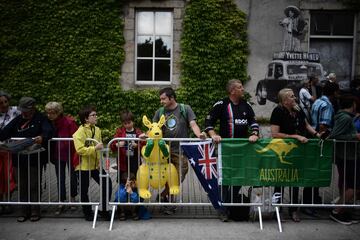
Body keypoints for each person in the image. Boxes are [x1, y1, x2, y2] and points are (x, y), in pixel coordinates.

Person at [204, 79, 260, 222]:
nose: (243, 90)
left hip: (242, 150)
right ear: (232, 91)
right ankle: (222, 209)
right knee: (224, 179)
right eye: (240, 87)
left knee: (238, 178)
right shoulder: (221, 104)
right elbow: (208, 122)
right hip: (226, 150)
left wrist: (254, 134)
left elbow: (253, 121)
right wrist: (213, 135)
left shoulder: (246, 105)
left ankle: (231, 206)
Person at [151, 87, 205, 214]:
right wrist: (146, 134)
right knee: (166, 176)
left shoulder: (185, 109)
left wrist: (199, 135)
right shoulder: (160, 112)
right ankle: (169, 202)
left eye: (163, 99)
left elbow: (193, 124)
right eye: (160, 99)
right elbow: (153, 128)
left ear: (172, 98)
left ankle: (164, 195)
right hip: (163, 151)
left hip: (180, 151)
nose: (161, 101)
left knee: (178, 176)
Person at [270, 88, 320, 222]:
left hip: (297, 151)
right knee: (279, 180)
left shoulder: (297, 109)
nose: (295, 98)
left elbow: (306, 124)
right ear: (285, 100)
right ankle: (277, 210)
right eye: (292, 97)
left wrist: (316, 134)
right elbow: (275, 134)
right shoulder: (278, 111)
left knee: (295, 180)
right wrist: (295, 136)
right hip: (283, 150)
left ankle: (293, 210)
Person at [0, 97, 54, 222]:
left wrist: (42, 136)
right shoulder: (18, 120)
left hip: (34, 158)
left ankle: (35, 210)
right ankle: (24, 211)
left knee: (34, 184)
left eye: (26, 110)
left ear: (33, 109)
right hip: (19, 159)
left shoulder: (41, 119)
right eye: (22, 110)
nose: (24, 113)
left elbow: (49, 132)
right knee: (22, 185)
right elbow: (4, 133)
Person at [72, 105, 112, 221]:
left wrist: (100, 160)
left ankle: (104, 210)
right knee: (84, 190)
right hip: (83, 167)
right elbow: (80, 150)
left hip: (95, 165)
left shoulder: (97, 129)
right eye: (93, 115)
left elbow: (99, 146)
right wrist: (94, 149)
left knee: (107, 183)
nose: (96, 117)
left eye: (96, 114)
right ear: (86, 118)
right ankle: (87, 212)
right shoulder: (79, 132)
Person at [304, 81, 339, 211]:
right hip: (320, 141)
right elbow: (323, 126)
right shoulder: (327, 105)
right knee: (316, 172)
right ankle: (310, 202)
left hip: (313, 139)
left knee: (312, 171)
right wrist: (323, 136)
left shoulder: (317, 101)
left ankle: (312, 199)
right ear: (335, 92)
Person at [328, 95, 360, 225]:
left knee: (349, 184)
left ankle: (342, 209)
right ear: (353, 104)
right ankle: (337, 211)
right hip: (348, 156)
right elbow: (335, 135)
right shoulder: (345, 118)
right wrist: (355, 136)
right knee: (355, 186)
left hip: (347, 156)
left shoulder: (345, 117)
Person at [45, 101, 78, 215]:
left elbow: (76, 137)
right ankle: (61, 200)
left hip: (70, 153)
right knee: (60, 178)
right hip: (58, 154)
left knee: (73, 177)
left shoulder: (69, 122)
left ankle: (73, 198)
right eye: (48, 113)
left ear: (58, 112)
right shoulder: (49, 123)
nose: (49, 115)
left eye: (52, 113)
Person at [0, 91, 20, 215]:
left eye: (5, 101)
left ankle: (8, 202)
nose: (4, 104)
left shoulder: (16, 111)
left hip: (11, 150)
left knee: (9, 177)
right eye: (1, 103)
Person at [110, 110, 143, 183]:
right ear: (122, 123)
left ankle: (135, 194)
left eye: (129, 123)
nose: (127, 125)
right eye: (125, 123)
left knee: (136, 181)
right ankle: (123, 194)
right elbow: (112, 145)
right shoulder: (119, 132)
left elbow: (143, 145)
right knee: (123, 181)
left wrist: (137, 145)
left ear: (133, 121)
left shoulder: (138, 132)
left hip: (135, 161)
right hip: (123, 161)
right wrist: (117, 145)